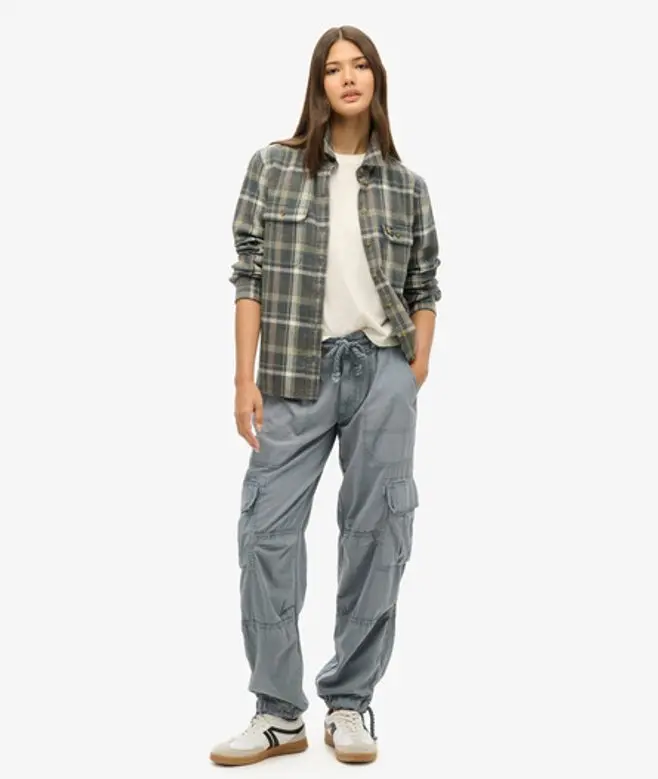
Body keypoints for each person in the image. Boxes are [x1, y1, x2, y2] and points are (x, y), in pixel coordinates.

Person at [209, 24, 441, 767]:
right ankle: (279, 712)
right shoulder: (273, 166)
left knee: (377, 533)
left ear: (376, 79)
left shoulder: (406, 185)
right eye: (334, 68)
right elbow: (248, 273)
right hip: (292, 371)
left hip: (382, 371)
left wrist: (414, 368)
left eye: (360, 65)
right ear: (318, 84)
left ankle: (349, 702)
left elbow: (425, 284)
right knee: (265, 532)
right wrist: (243, 377)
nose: (348, 77)